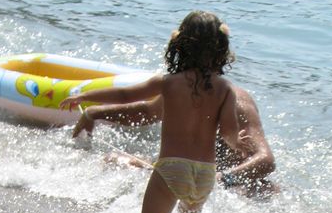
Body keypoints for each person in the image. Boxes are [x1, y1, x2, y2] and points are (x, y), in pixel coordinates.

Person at [61, 10, 246, 213]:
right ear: (220, 49)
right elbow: (229, 132)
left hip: (172, 168)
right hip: (205, 174)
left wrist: (85, 96)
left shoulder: (169, 83)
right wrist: (238, 143)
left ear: (180, 44)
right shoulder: (225, 89)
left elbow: (125, 95)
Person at [71, 85, 277, 199]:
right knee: (113, 160)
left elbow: (266, 160)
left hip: (227, 183)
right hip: (186, 176)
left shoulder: (236, 102)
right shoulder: (181, 87)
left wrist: (223, 178)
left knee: (268, 191)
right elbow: (146, 112)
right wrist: (95, 113)